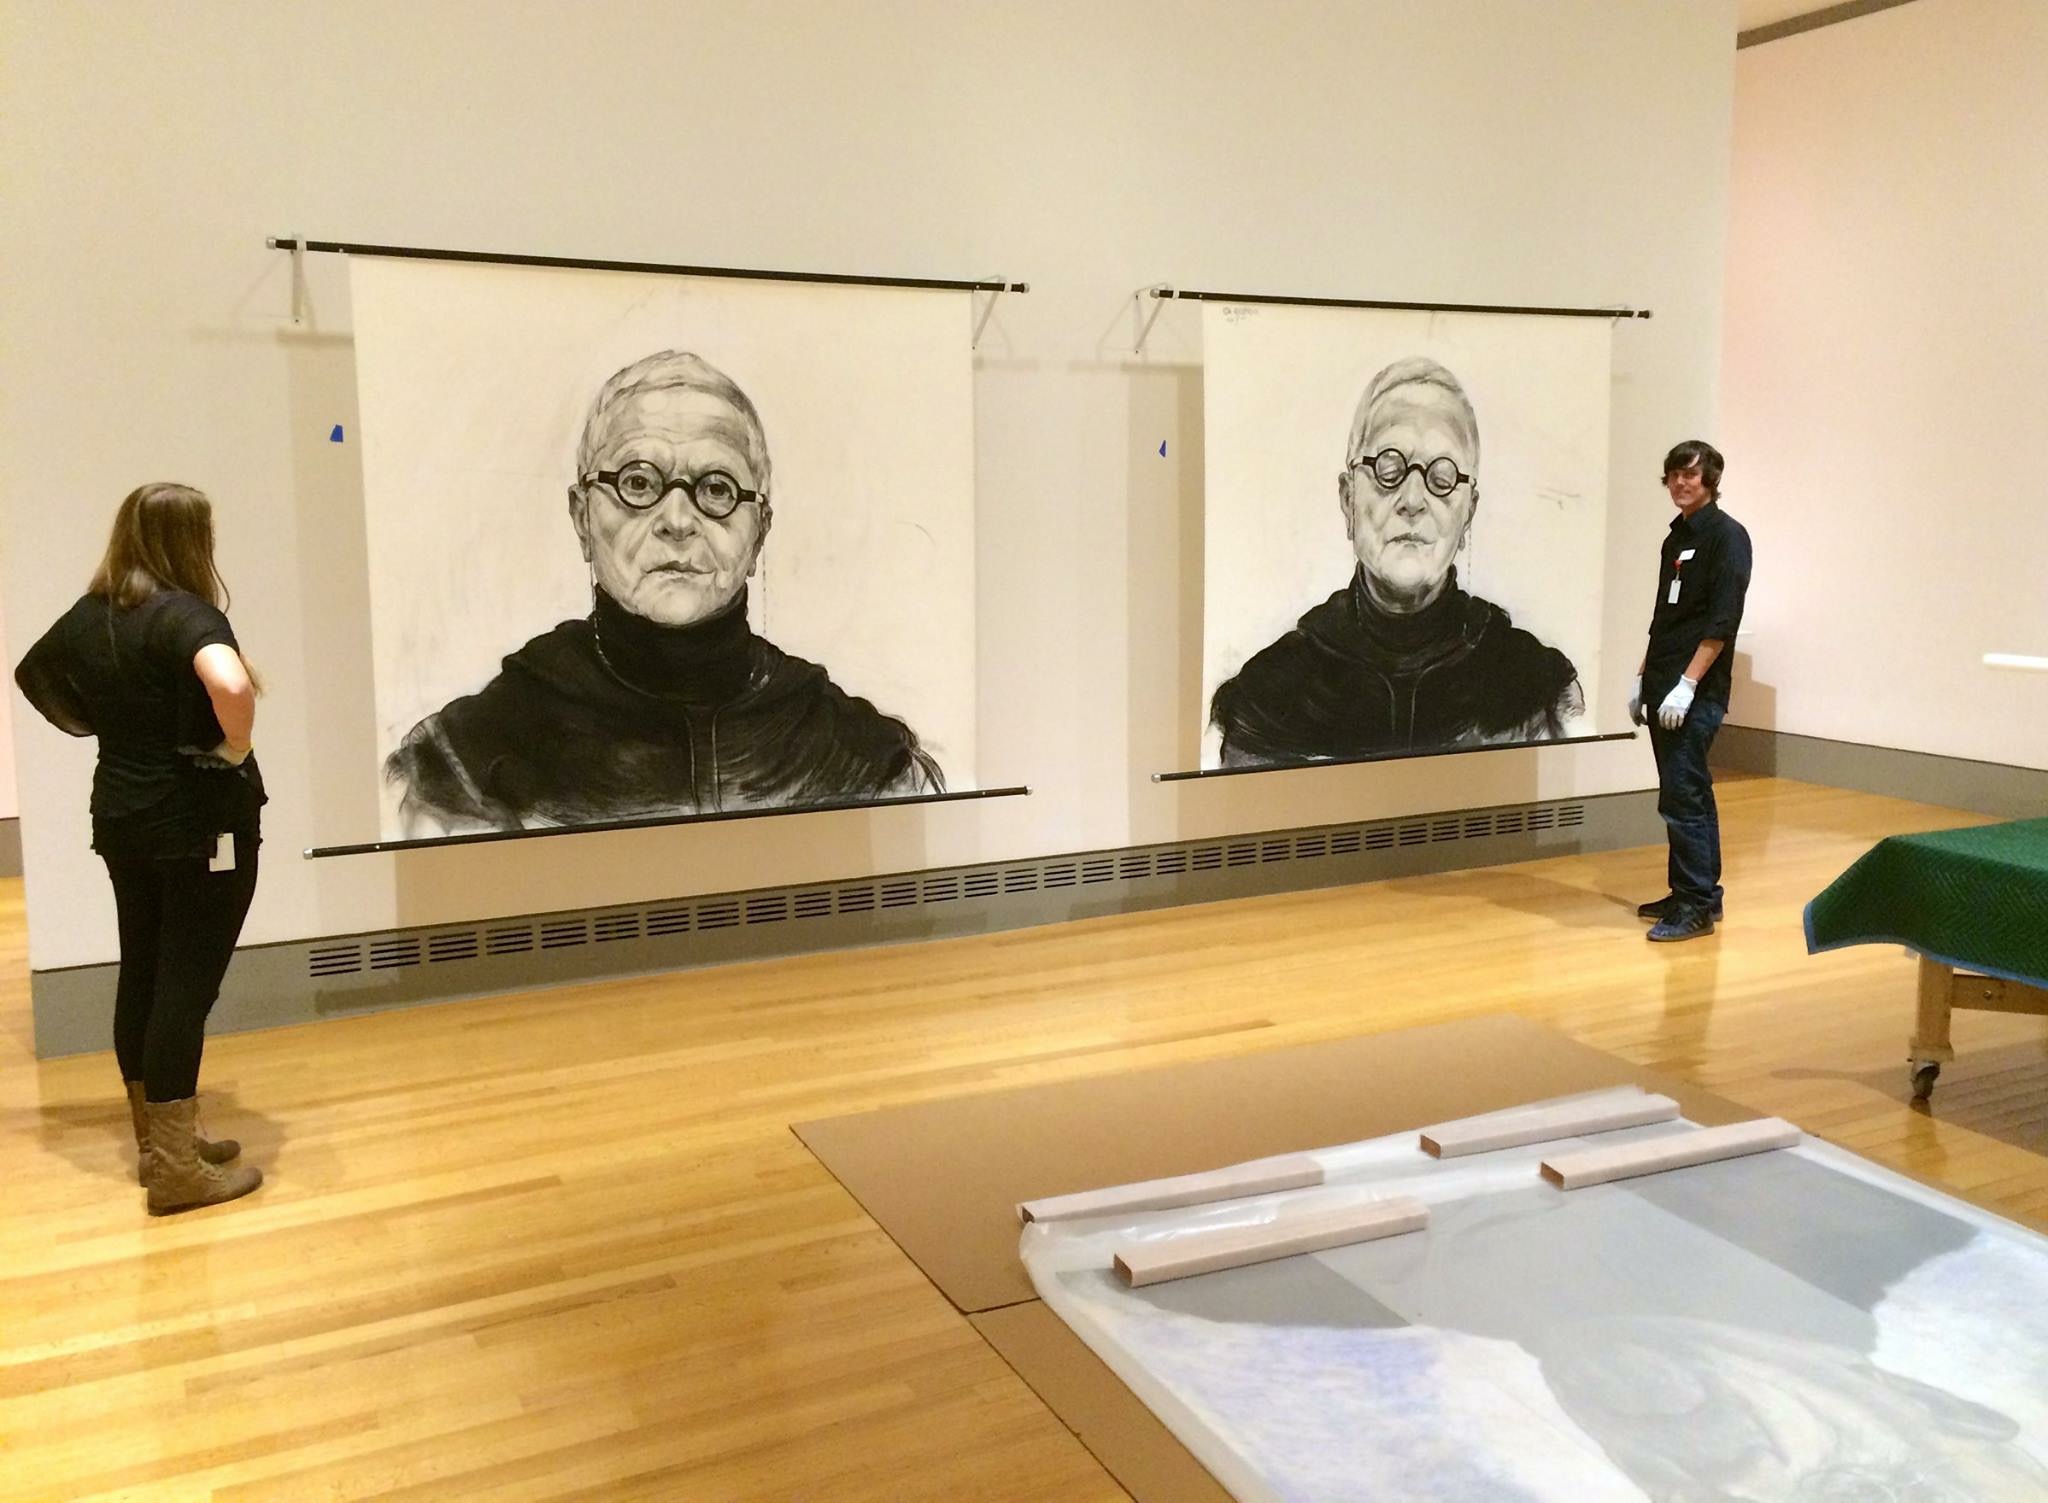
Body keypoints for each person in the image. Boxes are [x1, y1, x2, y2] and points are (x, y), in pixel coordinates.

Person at [386, 350, 942, 833]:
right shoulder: (464, 764)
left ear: (760, 533)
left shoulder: (869, 759)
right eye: (638, 482)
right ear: (582, 518)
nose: (677, 520)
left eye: (717, 489)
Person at [14, 483, 267, 1214]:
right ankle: (179, 1172)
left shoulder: (92, 614)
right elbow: (230, 681)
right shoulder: (186, 613)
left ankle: (160, 1147)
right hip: (197, 822)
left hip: (123, 816)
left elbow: (33, 675)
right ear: (192, 539)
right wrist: (234, 745)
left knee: (145, 972)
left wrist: (114, 726)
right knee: (185, 987)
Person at [1209, 356, 1583, 766]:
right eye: (1389, 468)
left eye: (1442, 478)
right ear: (1348, 498)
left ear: (1469, 513)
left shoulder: (1536, 689)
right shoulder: (1263, 702)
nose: (1413, 500)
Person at [1629, 439, 1752, 942]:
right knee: (1685, 791)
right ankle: (1694, 892)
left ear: (1711, 480)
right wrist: (1643, 675)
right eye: (1674, 475)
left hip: (1694, 689)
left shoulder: (1728, 537)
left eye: (1691, 475)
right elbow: (1666, 615)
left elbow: (1723, 620)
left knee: (1683, 795)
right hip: (1664, 681)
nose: (1681, 483)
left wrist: (1687, 684)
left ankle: (1695, 906)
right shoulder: (1676, 537)